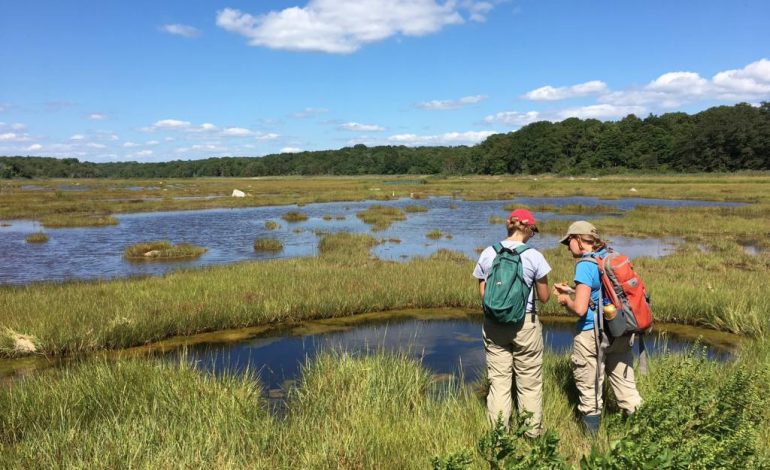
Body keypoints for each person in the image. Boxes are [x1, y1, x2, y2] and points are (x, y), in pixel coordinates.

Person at [553, 221, 642, 435]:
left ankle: (589, 447)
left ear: (578, 240)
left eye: (569, 242)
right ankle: (643, 435)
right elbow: (601, 294)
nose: (568, 247)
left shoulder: (585, 264)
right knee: (627, 389)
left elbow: (581, 309)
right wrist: (574, 290)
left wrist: (566, 300)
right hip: (619, 330)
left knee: (591, 391)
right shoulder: (608, 256)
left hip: (592, 334)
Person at [473, 208, 551, 437]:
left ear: (510, 225)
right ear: (527, 228)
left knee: (498, 382)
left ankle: (498, 434)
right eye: (533, 231)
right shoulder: (534, 256)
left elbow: (483, 293)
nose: (532, 235)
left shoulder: (488, 253)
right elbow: (544, 298)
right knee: (530, 383)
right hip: (525, 324)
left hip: (494, 323)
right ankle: (531, 434)